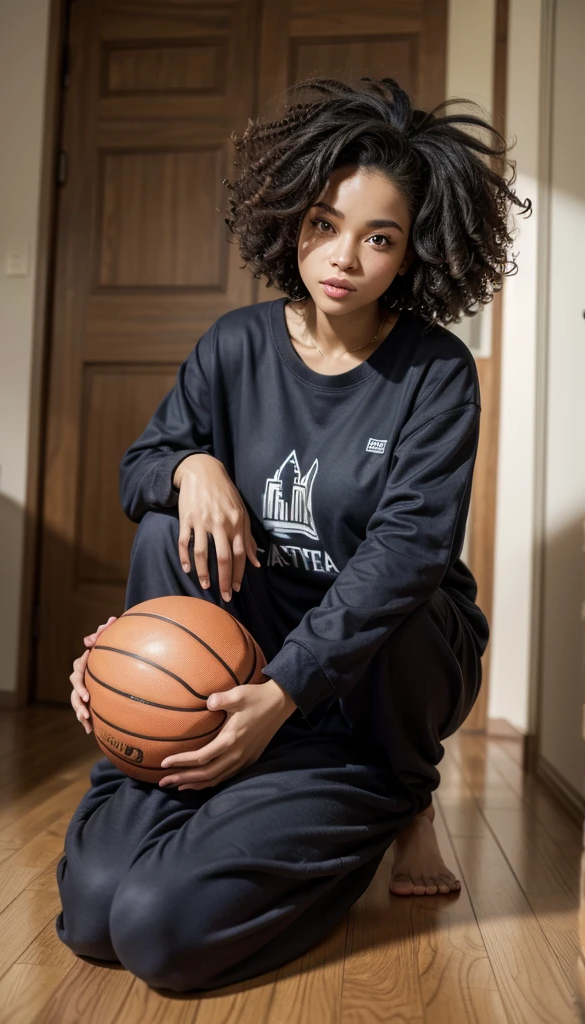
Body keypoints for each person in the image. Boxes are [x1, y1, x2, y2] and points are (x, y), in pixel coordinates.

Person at [55, 76, 531, 993]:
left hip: (375, 683)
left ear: (414, 254)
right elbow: (140, 467)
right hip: (243, 654)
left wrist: (279, 697)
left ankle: (395, 797)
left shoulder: (435, 372)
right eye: (324, 223)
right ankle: (173, 765)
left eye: (379, 237)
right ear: (290, 220)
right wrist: (192, 472)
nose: (343, 257)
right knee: (97, 916)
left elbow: (406, 553)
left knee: (161, 936)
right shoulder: (234, 345)